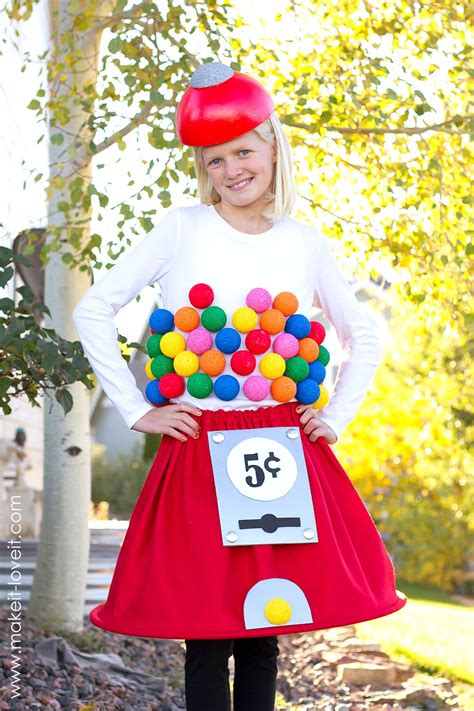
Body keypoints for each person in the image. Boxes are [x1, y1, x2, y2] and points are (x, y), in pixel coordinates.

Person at [72, 61, 407, 711]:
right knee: (208, 627)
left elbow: (363, 335)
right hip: (201, 448)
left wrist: (336, 415)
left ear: (273, 148)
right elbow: (94, 308)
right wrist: (139, 408)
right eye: (215, 160)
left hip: (282, 450)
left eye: (243, 151)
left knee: (266, 627)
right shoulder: (182, 228)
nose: (231, 169)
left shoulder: (305, 245)